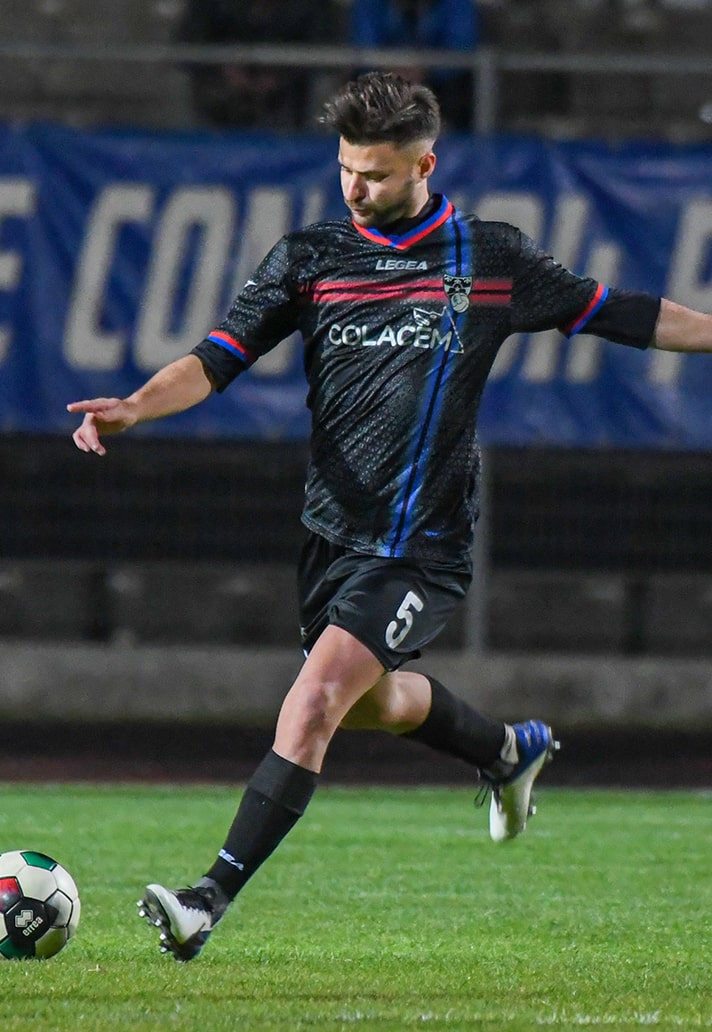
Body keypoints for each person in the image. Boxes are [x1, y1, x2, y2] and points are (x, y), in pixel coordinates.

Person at [68, 71, 712, 962]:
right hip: (331, 533)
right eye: (345, 168)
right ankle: (504, 751)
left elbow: (622, 314)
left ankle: (205, 898)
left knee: (312, 704)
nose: (355, 187)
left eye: (373, 173)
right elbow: (215, 358)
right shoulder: (311, 258)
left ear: (424, 165)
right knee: (372, 704)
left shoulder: (487, 258)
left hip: (423, 544)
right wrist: (136, 406)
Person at [349, 0, 480, 131]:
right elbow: (363, 45)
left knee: (460, 86)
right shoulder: (370, 4)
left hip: (439, 84)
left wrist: (425, 69)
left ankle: (447, 133)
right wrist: (392, 70)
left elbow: (461, 47)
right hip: (382, 81)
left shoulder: (457, 4)